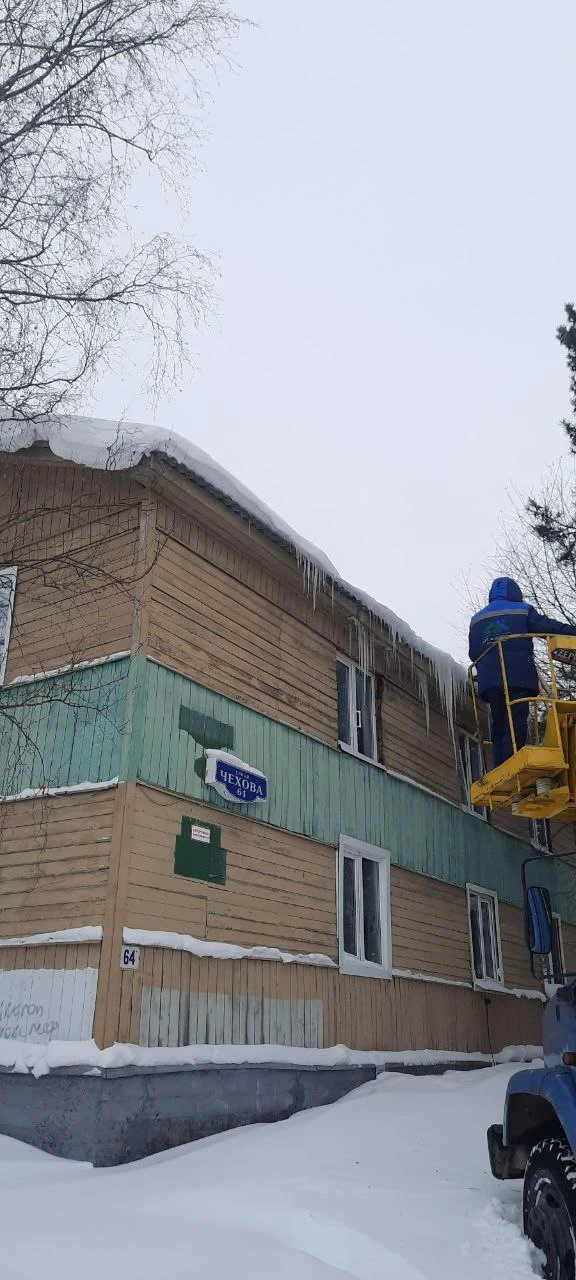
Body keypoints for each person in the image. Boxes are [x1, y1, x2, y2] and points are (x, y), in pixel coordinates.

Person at [469, 577, 576, 768]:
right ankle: (513, 765)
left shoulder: (477, 619)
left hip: (490, 681)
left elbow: (473, 652)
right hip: (517, 676)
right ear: (515, 592)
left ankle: (500, 767)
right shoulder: (522, 610)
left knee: (499, 726)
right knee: (515, 724)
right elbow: (549, 627)